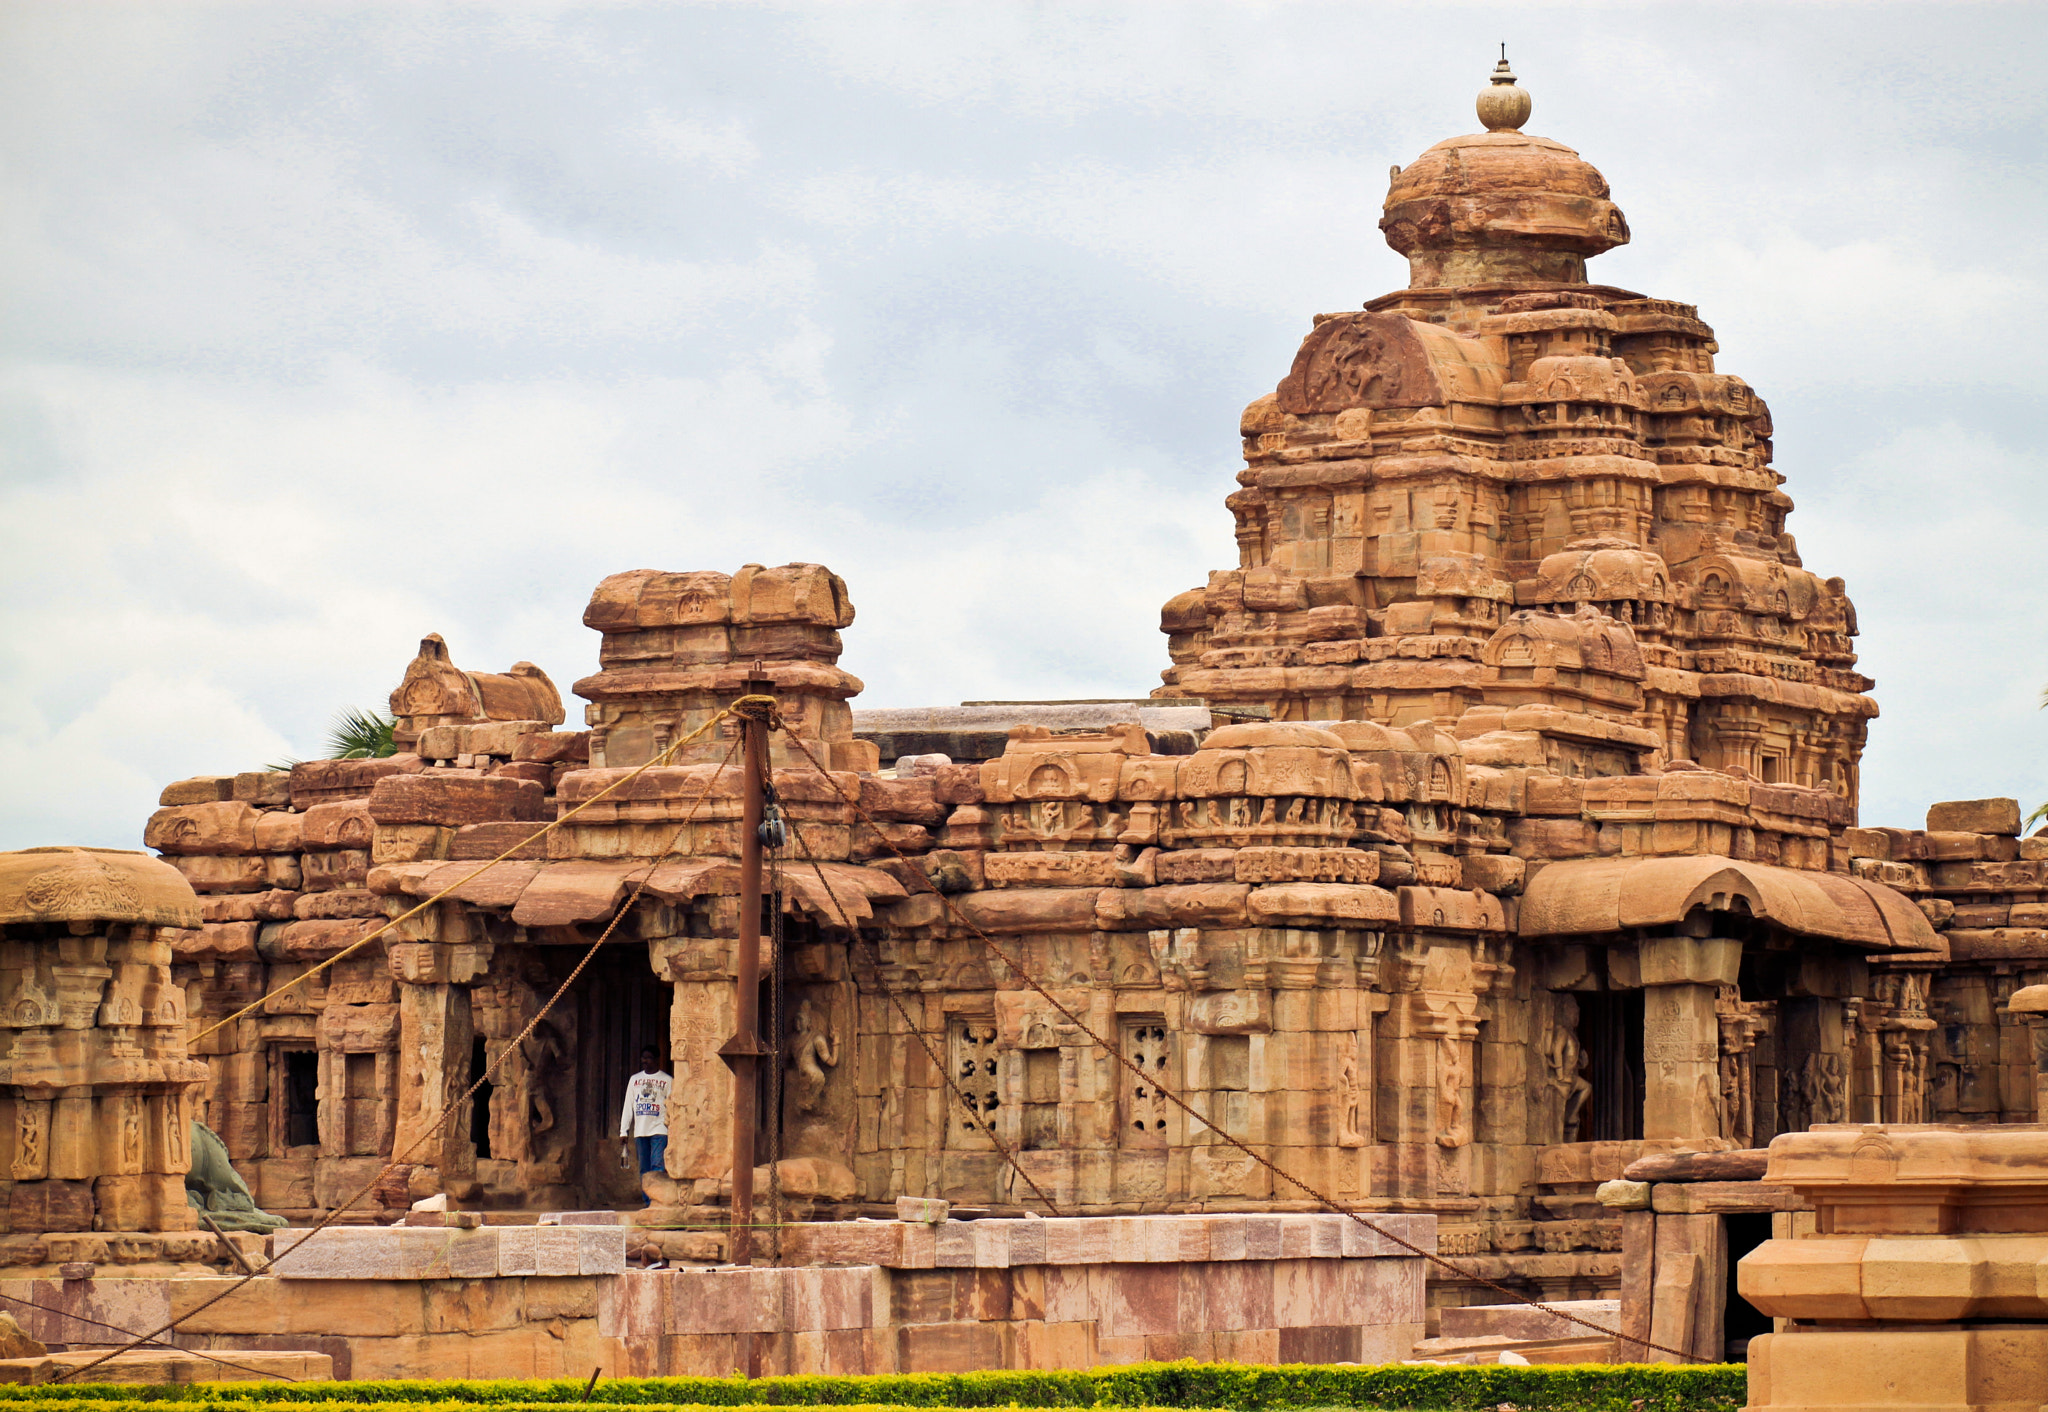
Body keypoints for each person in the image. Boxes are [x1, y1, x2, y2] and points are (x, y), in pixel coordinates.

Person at [619, 1047, 671, 1205]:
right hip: (641, 1130)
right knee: (644, 1167)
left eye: (648, 1058)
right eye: (643, 1058)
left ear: (657, 1060)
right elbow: (628, 1105)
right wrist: (624, 1130)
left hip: (660, 1129)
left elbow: (671, 1106)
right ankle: (647, 1201)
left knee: (657, 1164)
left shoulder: (668, 1080)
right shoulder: (634, 1080)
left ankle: (658, 1200)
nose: (645, 1061)